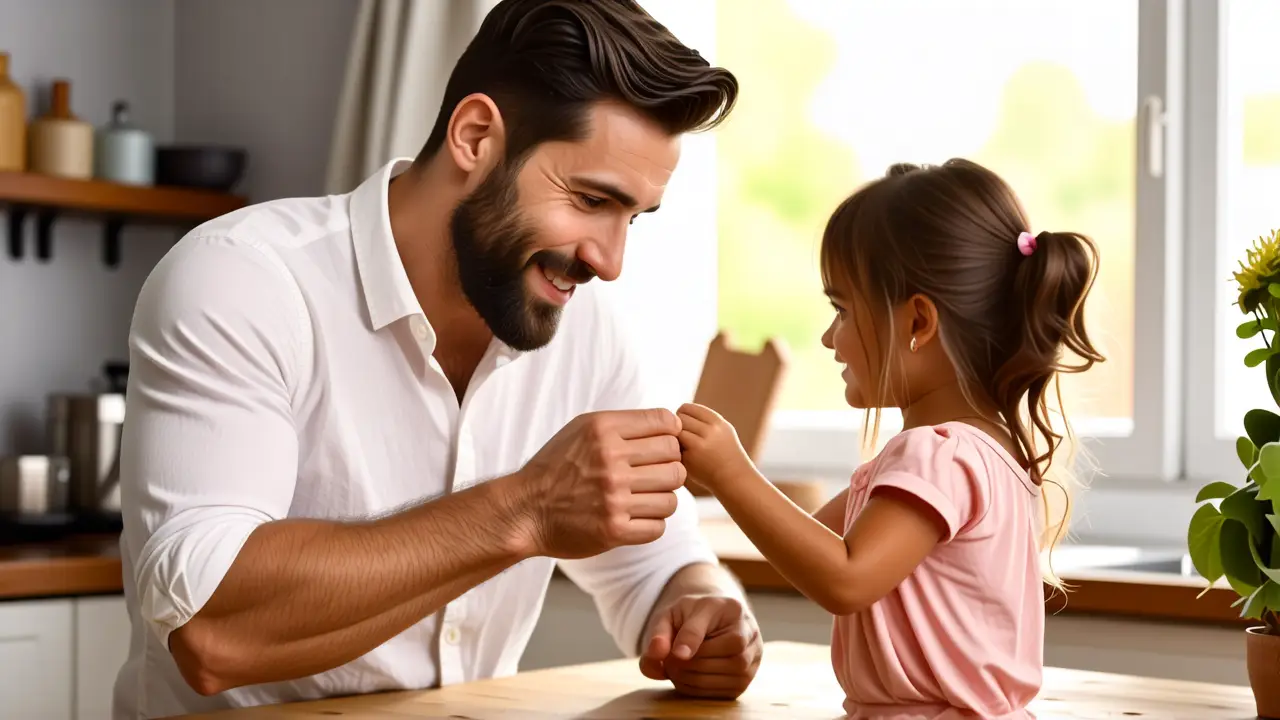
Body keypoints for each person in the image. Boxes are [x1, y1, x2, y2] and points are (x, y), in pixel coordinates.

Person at [112, 1, 762, 717]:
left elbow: (657, 560)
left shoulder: (590, 335)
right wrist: (527, 507)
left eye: (632, 217)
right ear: (475, 136)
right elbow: (209, 631)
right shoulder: (242, 280)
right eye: (589, 199)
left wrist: (702, 608)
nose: (609, 261)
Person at [676, 159, 1105, 719]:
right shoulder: (988, 451)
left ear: (918, 323)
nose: (831, 337)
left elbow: (845, 577)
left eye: (842, 309)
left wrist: (731, 472)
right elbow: (810, 539)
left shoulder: (936, 454)